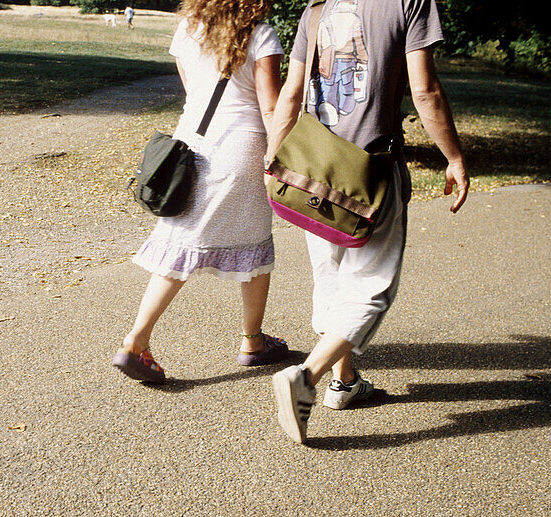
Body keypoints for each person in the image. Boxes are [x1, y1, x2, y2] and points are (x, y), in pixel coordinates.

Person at [265, 0, 469, 443]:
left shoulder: (317, 8)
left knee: (332, 279)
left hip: (315, 168)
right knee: (371, 289)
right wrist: (453, 156)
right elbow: (426, 90)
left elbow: (291, 93)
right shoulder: (411, 2)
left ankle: (345, 383)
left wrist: (274, 155)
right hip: (371, 172)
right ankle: (307, 376)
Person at [113, 0, 287, 383]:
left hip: (190, 144)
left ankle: (144, 338)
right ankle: (142, 341)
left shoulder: (188, 29)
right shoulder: (261, 34)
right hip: (241, 146)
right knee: (244, 241)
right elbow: (270, 107)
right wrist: (279, 157)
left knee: (190, 240)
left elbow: (193, 90)